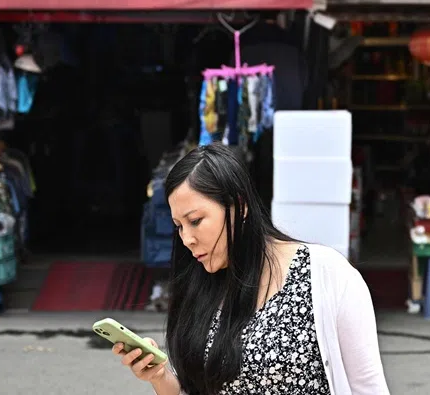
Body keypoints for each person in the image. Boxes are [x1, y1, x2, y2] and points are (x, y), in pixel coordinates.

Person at [111, 143, 389, 395]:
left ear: (239, 205)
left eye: (195, 221)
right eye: (179, 226)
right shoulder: (201, 285)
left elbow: (369, 388)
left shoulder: (326, 274)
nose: (186, 239)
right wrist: (159, 377)